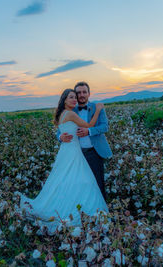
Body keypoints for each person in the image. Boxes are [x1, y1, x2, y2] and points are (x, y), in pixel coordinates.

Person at [20, 89, 108, 235]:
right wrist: (98, 110)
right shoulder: (71, 113)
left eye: (75, 97)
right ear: (64, 100)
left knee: (65, 179)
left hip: (67, 150)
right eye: (71, 97)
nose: (74, 100)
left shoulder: (62, 114)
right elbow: (89, 125)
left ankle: (65, 204)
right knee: (79, 178)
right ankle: (75, 208)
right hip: (73, 151)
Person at [57, 81, 112, 201]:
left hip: (94, 152)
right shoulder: (71, 110)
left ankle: (101, 212)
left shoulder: (97, 107)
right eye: (78, 93)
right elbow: (59, 131)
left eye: (84, 92)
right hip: (77, 153)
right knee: (80, 184)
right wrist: (60, 137)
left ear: (89, 93)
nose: (81, 95)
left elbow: (104, 127)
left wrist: (89, 132)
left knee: (98, 182)